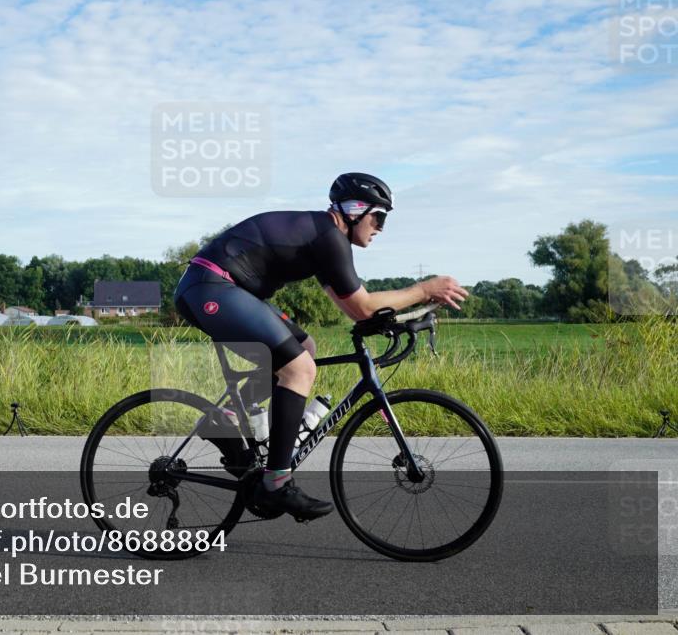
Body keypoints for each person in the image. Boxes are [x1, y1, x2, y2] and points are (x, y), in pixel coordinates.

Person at [172, 172, 469, 520]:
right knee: (299, 369)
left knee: (304, 348)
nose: (381, 228)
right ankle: (277, 483)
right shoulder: (329, 236)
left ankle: (227, 419)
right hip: (212, 288)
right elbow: (363, 307)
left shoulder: (325, 238)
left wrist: (404, 318)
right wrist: (424, 289)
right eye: (379, 217)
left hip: (226, 289)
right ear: (357, 210)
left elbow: (357, 310)